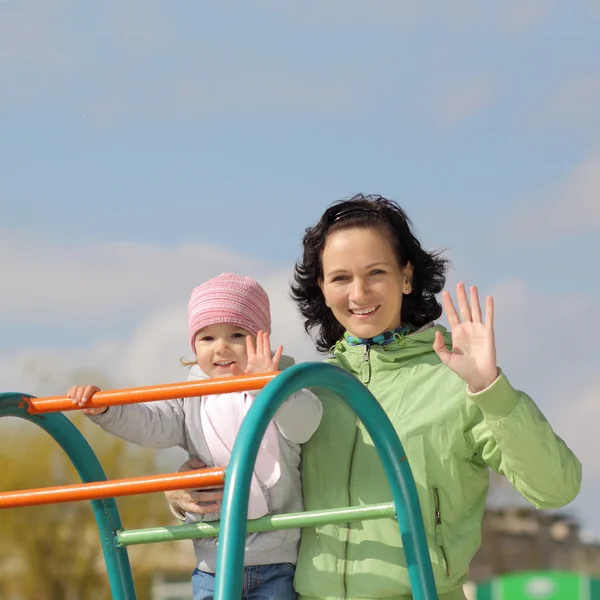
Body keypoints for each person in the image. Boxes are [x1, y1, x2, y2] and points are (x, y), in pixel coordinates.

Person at [166, 196, 582, 600]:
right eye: (341, 278)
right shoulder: (305, 390)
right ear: (323, 289)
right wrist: (182, 491)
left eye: (376, 272)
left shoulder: (456, 381)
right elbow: (259, 477)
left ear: (406, 276)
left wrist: (490, 388)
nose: (359, 294)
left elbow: (556, 487)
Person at [68, 272, 323, 600]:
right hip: (212, 563)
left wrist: (266, 386)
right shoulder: (192, 396)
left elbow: (306, 423)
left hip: (277, 561)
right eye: (207, 339)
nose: (221, 347)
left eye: (236, 334)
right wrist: (106, 410)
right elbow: (154, 424)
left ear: (261, 338)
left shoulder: (282, 386)